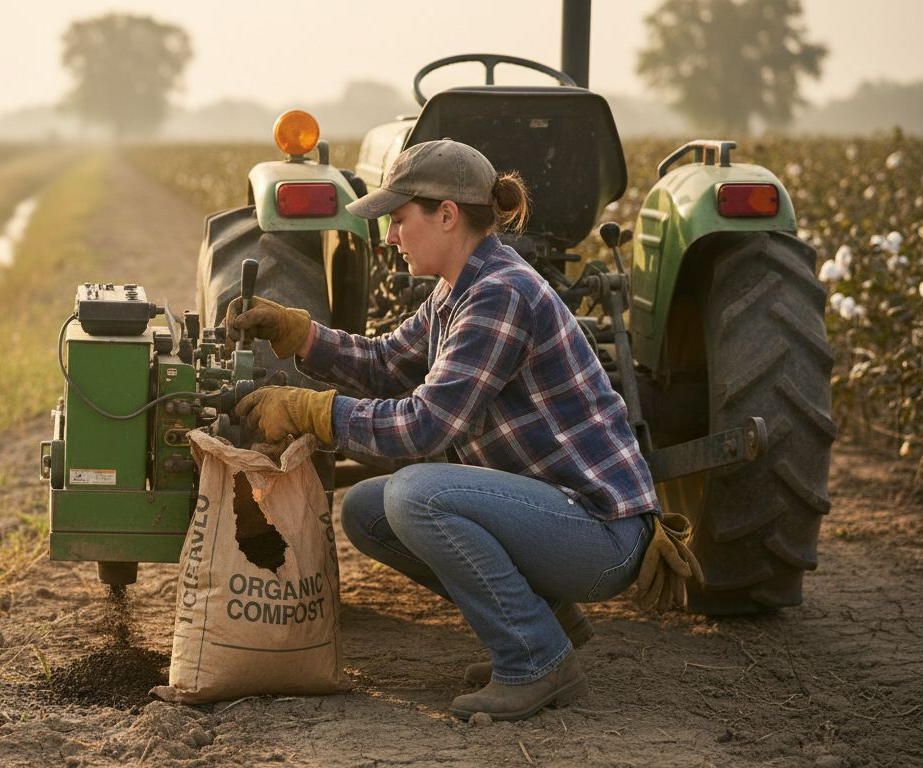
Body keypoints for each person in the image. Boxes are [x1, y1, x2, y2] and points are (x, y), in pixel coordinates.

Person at [231, 139, 696, 722]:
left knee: (414, 494)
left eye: (399, 221)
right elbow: (385, 364)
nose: (391, 237)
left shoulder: (499, 294)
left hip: (601, 531)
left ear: (447, 215)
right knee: (368, 510)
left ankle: (536, 661)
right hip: (559, 514)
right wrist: (299, 334)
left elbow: (425, 427)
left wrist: (312, 413)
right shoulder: (458, 290)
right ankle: (543, 619)